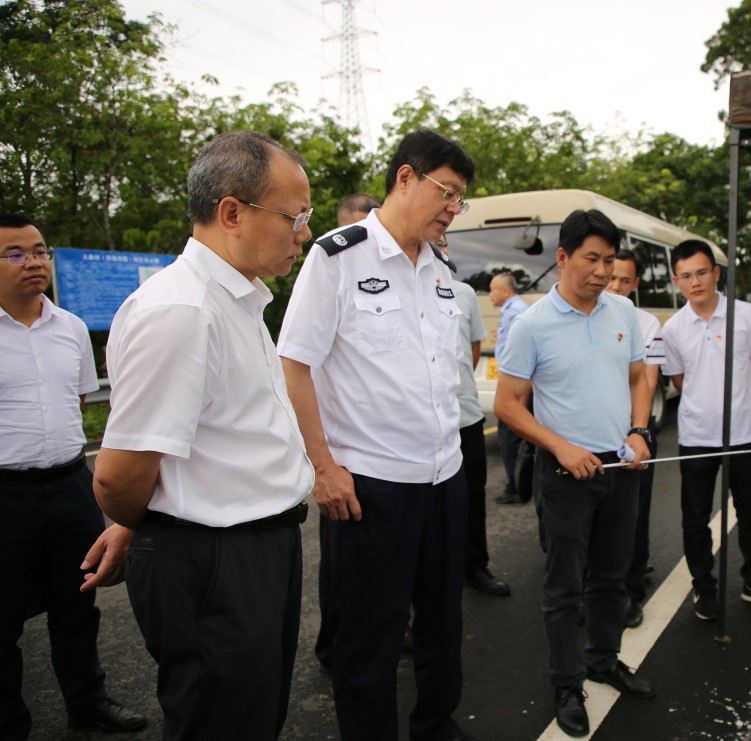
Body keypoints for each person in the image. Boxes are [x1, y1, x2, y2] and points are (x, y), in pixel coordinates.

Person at [92, 131, 316, 739]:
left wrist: (140, 517)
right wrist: (146, 521)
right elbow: (117, 474)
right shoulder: (183, 310)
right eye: (294, 216)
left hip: (254, 547)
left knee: (252, 713)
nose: (303, 232)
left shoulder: (236, 301)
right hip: (215, 559)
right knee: (221, 722)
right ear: (232, 212)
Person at [277, 129, 475, 740]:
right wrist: (323, 465)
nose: (453, 208)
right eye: (447, 192)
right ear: (405, 178)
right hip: (373, 485)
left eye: (460, 200)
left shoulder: (441, 268)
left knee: (442, 626)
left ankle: (436, 725)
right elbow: (295, 362)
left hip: (444, 475)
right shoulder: (338, 257)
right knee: (369, 639)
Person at [494, 208, 654, 739]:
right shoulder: (531, 325)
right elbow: (509, 404)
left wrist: (639, 431)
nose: (602, 271)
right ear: (562, 258)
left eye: (609, 260)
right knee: (564, 587)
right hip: (565, 475)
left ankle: (605, 659)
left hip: (620, 467)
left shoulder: (623, 312)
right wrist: (560, 447)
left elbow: (638, 377)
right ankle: (567, 682)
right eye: (592, 259)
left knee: (612, 577)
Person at [0, 214, 146, 739]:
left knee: (78, 604)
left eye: (39, 251)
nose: (34, 262)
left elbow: (79, 399)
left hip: (69, 484)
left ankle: (88, 701)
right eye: (15, 253)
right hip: (5, 495)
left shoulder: (72, 328)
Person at [661, 240, 751, 622]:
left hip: (743, 435)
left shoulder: (746, 316)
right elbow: (680, 379)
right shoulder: (674, 328)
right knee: (694, 518)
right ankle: (703, 587)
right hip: (696, 436)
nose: (694, 282)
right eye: (685, 276)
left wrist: (746, 404)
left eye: (701, 272)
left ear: (716, 272)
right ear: (676, 280)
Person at [315, 190, 385, 672]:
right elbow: (302, 365)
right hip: (345, 456)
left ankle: (378, 634)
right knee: (340, 569)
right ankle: (333, 646)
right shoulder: (329, 262)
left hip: (390, 455)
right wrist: (322, 463)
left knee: (383, 571)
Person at [440, 237, 512, 597]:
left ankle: (474, 565)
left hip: (465, 415)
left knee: (472, 495)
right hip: (422, 423)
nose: (438, 248)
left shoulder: (464, 293)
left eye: (443, 243)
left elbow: (471, 350)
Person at [604, 249, 664, 629]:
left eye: (626, 281)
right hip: (593, 434)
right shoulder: (586, 313)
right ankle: (593, 590)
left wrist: (636, 430)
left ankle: (631, 592)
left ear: (636, 284)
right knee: (594, 519)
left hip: (632, 432)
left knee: (633, 518)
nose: (617, 286)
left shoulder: (646, 322)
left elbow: (648, 379)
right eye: (613, 278)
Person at [489, 271, 530, 504]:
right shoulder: (514, 310)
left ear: (505, 291)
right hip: (514, 385)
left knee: (511, 439)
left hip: (515, 388)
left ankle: (516, 487)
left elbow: (521, 358)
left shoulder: (515, 313)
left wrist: (520, 399)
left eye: (493, 289)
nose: (490, 294)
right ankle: (517, 484)